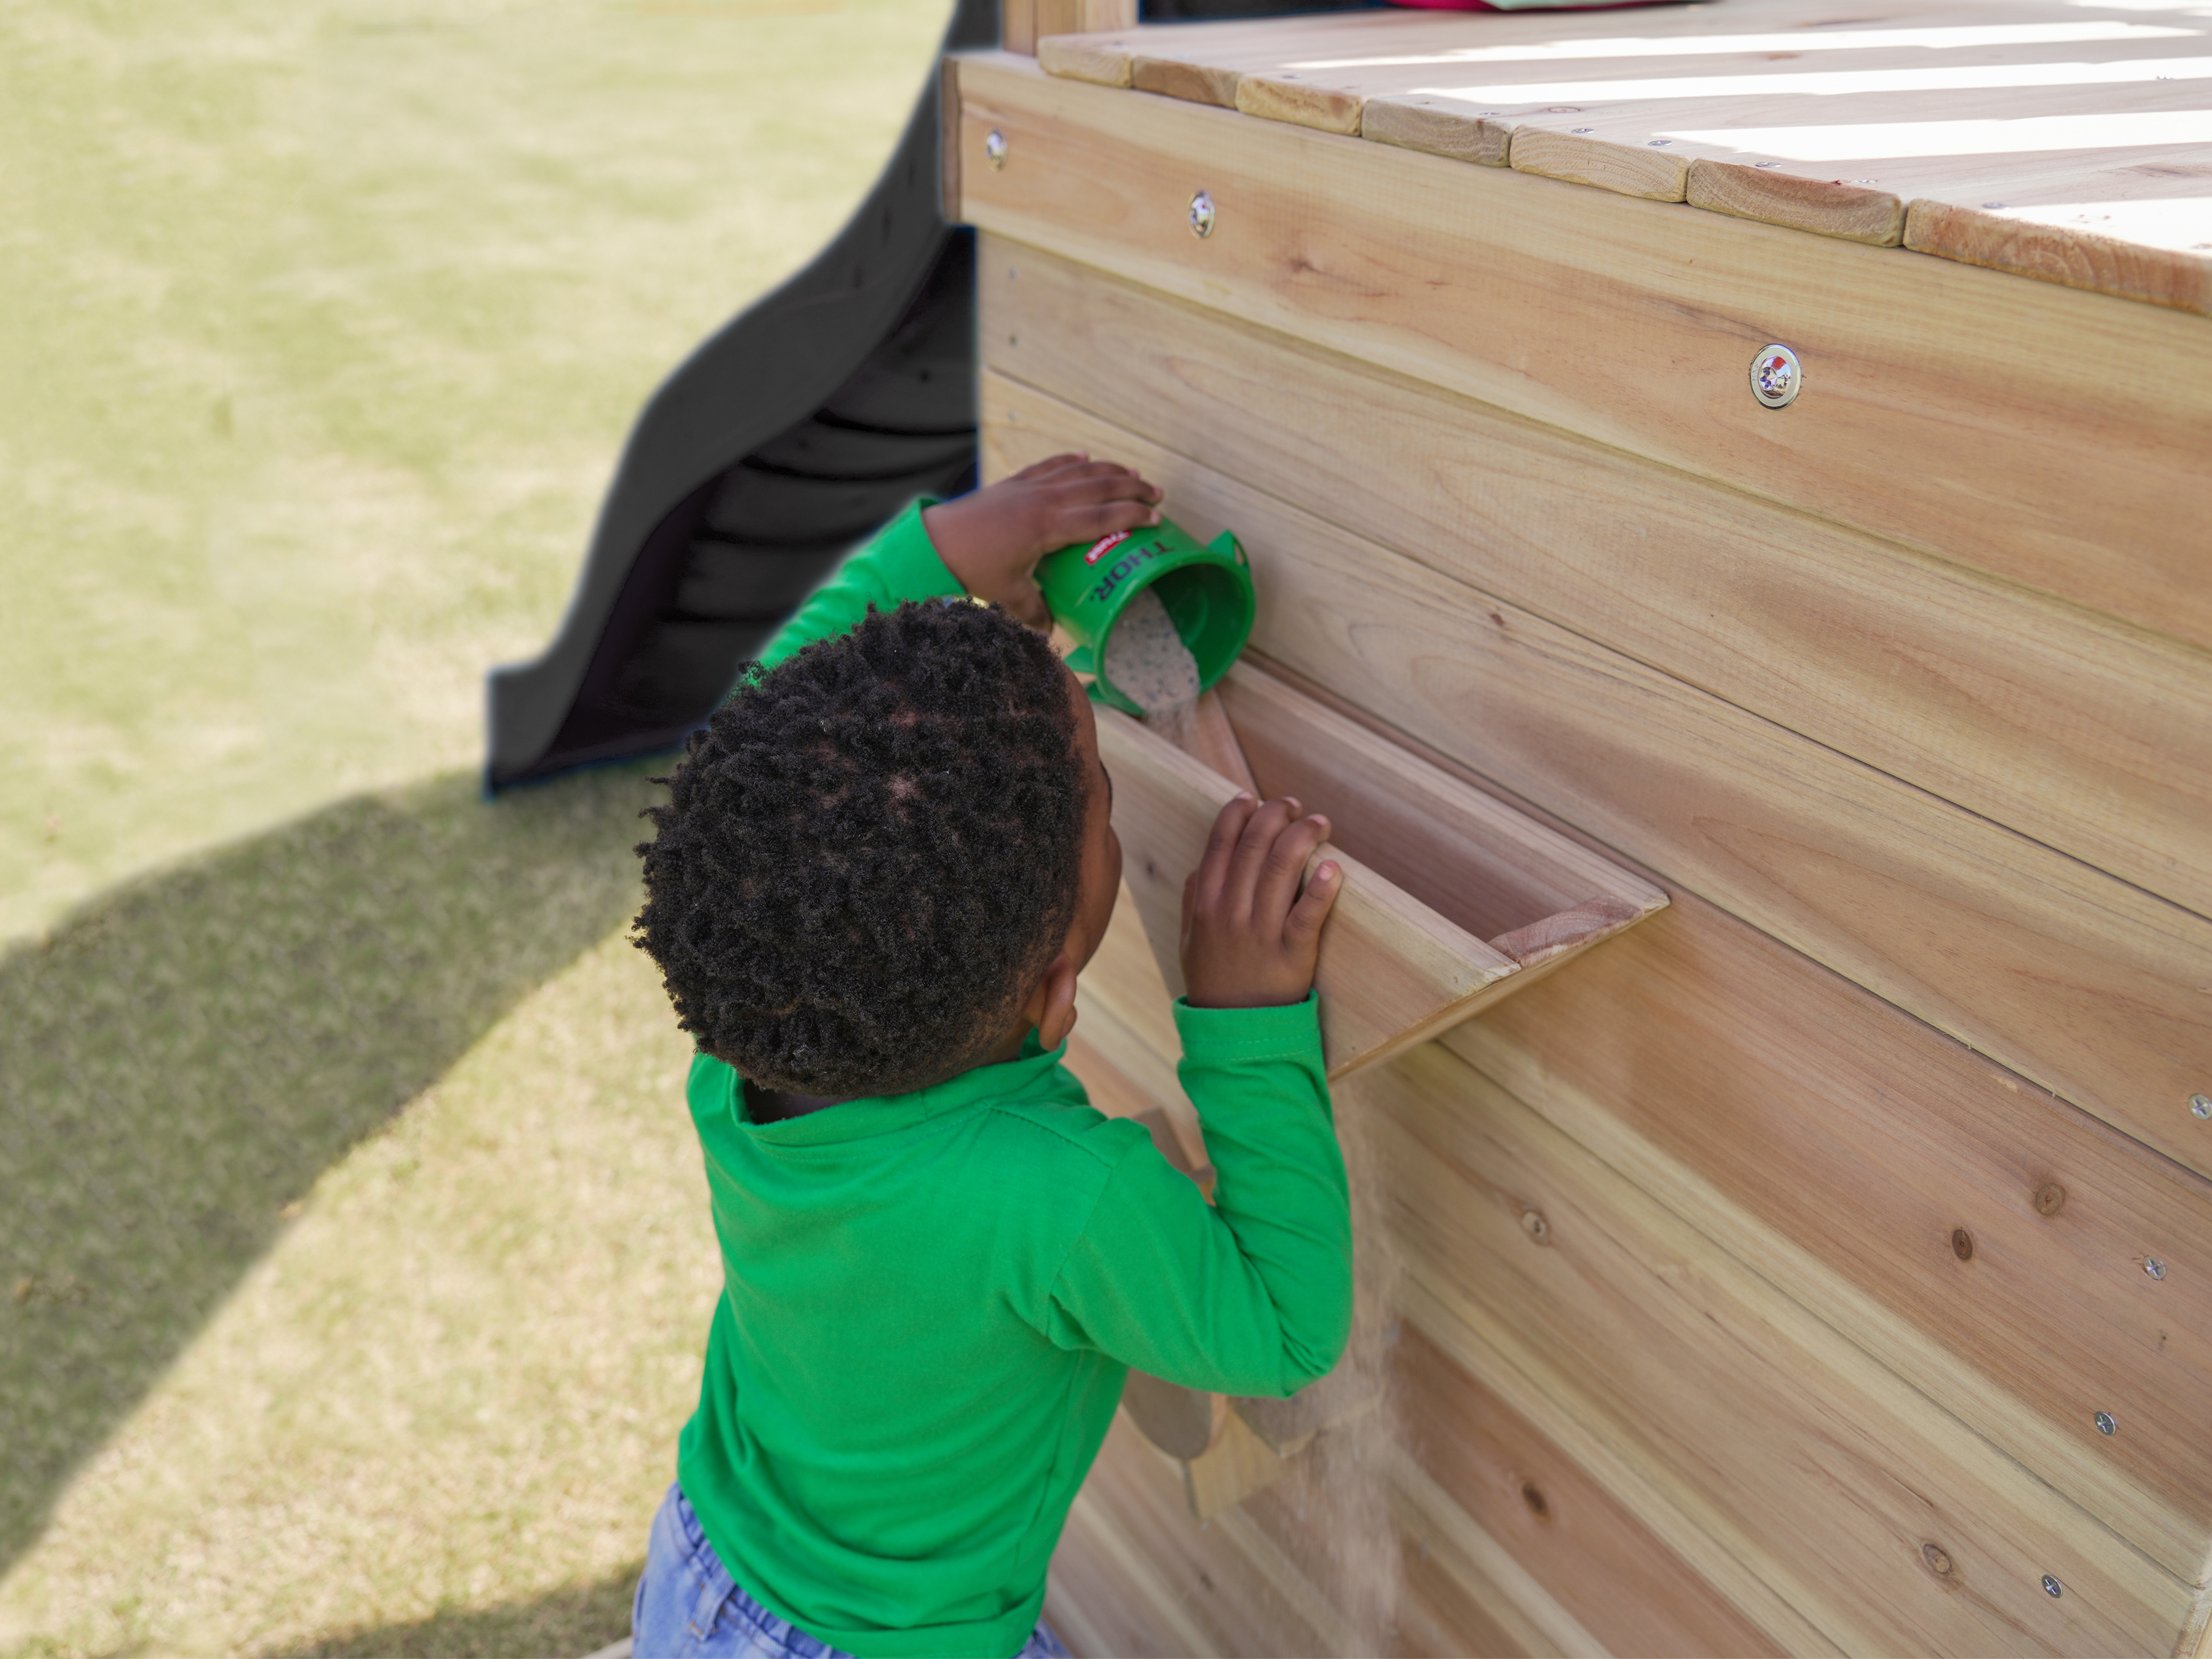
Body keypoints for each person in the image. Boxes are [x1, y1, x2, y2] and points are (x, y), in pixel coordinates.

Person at [628, 453, 1355, 1659]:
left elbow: (758, 737)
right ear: (1055, 992)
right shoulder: (1062, 1198)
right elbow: (1284, 1333)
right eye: (1106, 807)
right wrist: (1240, 1025)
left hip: (707, 1573)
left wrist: (945, 551)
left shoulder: (741, 1034)